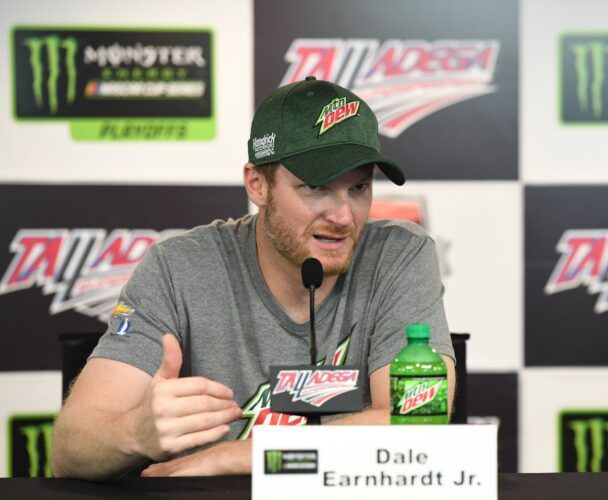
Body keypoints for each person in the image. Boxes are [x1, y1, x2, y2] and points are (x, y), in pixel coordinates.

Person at [51, 77, 456, 480]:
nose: (343, 216)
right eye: (315, 187)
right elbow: (70, 452)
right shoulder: (178, 268)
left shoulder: (398, 255)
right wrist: (134, 433)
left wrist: (235, 457)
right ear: (258, 184)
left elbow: (418, 423)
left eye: (359, 187)